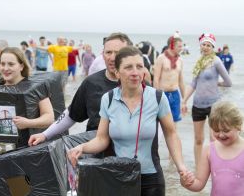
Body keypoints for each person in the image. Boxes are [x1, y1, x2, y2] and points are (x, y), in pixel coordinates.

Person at [67, 46, 187, 196]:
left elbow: (171, 134)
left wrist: (181, 166)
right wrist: (81, 148)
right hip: (118, 176)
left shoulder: (157, 97)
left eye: (139, 66)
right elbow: (102, 139)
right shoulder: (108, 99)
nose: (135, 72)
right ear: (117, 72)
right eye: (128, 67)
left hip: (151, 179)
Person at [28, 32, 153, 146]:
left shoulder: (142, 86)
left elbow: (156, 126)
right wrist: (45, 134)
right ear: (102, 54)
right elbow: (71, 115)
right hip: (95, 151)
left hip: (132, 153)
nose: (112, 57)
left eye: (118, 52)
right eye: (108, 52)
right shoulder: (91, 82)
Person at [181, 33, 232, 167]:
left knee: (213, 138)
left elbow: (228, 81)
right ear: (201, 46)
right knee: (198, 139)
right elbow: (193, 84)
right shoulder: (199, 62)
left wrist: (216, 84)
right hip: (197, 105)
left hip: (213, 105)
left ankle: (214, 165)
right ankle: (199, 166)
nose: (205, 47)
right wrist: (184, 101)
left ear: (213, 47)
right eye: (204, 44)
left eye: (208, 45)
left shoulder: (216, 61)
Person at [180, 101, 244, 196]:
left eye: (226, 130)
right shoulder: (209, 150)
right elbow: (199, 184)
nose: (221, 135)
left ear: (239, 126)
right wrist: (186, 183)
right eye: (216, 130)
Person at [0, 47, 55, 132]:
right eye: (2, 64)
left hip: (30, 142)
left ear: (21, 66)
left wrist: (28, 123)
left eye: (11, 64)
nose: (5, 68)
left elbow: (49, 117)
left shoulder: (35, 87)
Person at [154, 35, 185, 124]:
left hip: (175, 94)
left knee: (174, 123)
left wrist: (184, 100)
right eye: (179, 46)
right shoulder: (161, 58)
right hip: (163, 94)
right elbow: (156, 79)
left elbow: (181, 81)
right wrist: (157, 97)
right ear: (172, 46)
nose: (181, 48)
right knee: (161, 122)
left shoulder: (180, 60)